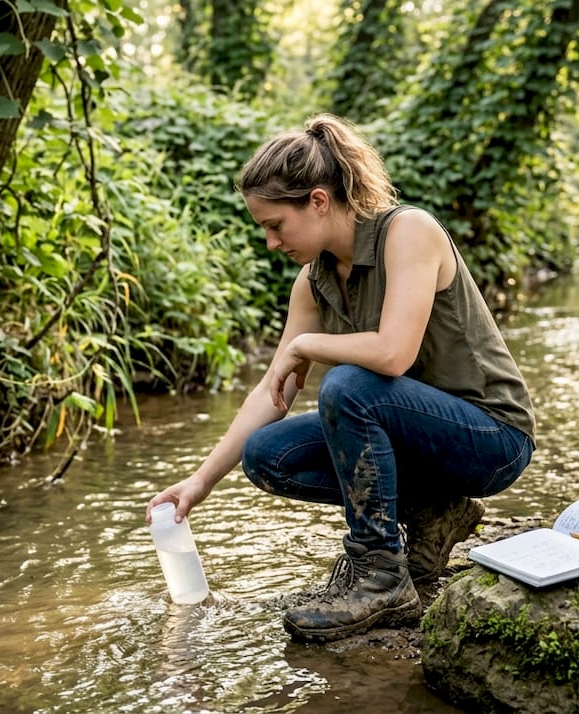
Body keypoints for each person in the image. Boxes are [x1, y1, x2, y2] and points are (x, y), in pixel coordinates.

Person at [144, 113, 536, 643]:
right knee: (267, 455)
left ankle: (380, 577)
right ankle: (434, 512)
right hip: (418, 443)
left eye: (275, 225)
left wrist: (306, 345)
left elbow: (393, 356)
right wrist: (200, 482)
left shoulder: (409, 232)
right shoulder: (314, 281)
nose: (270, 243)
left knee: (348, 386)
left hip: (491, 439)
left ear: (319, 201)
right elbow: (272, 392)